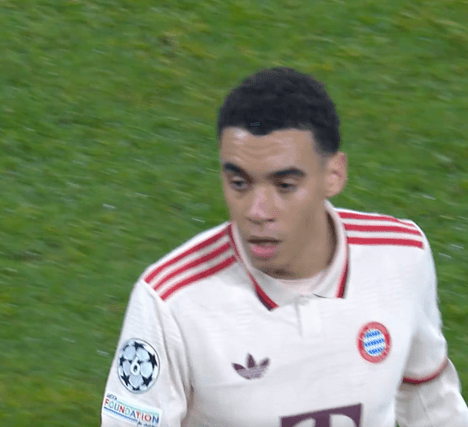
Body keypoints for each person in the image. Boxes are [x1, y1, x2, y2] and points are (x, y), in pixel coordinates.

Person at [100, 67, 468, 427]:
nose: (257, 212)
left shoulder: (400, 256)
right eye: (239, 183)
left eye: (285, 186)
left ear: (334, 175)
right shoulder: (171, 302)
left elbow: (429, 400)